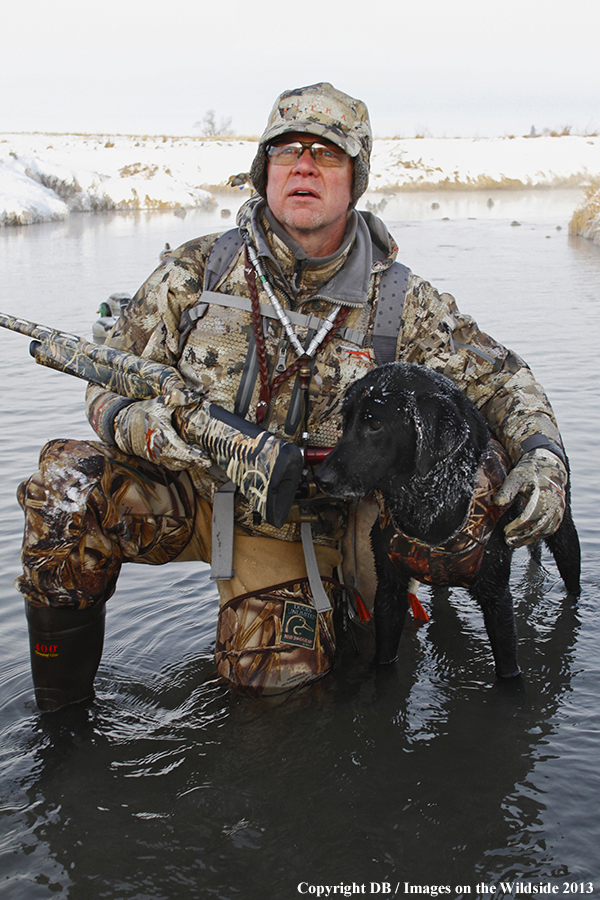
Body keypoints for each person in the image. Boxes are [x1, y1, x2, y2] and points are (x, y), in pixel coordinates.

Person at [16, 83, 569, 711]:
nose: (304, 165)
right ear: (265, 171)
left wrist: (544, 459)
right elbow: (104, 379)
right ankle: (62, 737)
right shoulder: (196, 272)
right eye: (287, 151)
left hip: (297, 522)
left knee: (280, 683)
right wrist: (138, 423)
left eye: (326, 154)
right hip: (188, 491)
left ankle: (334, 627)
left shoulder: (402, 304)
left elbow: (502, 377)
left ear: (354, 178)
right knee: (63, 487)